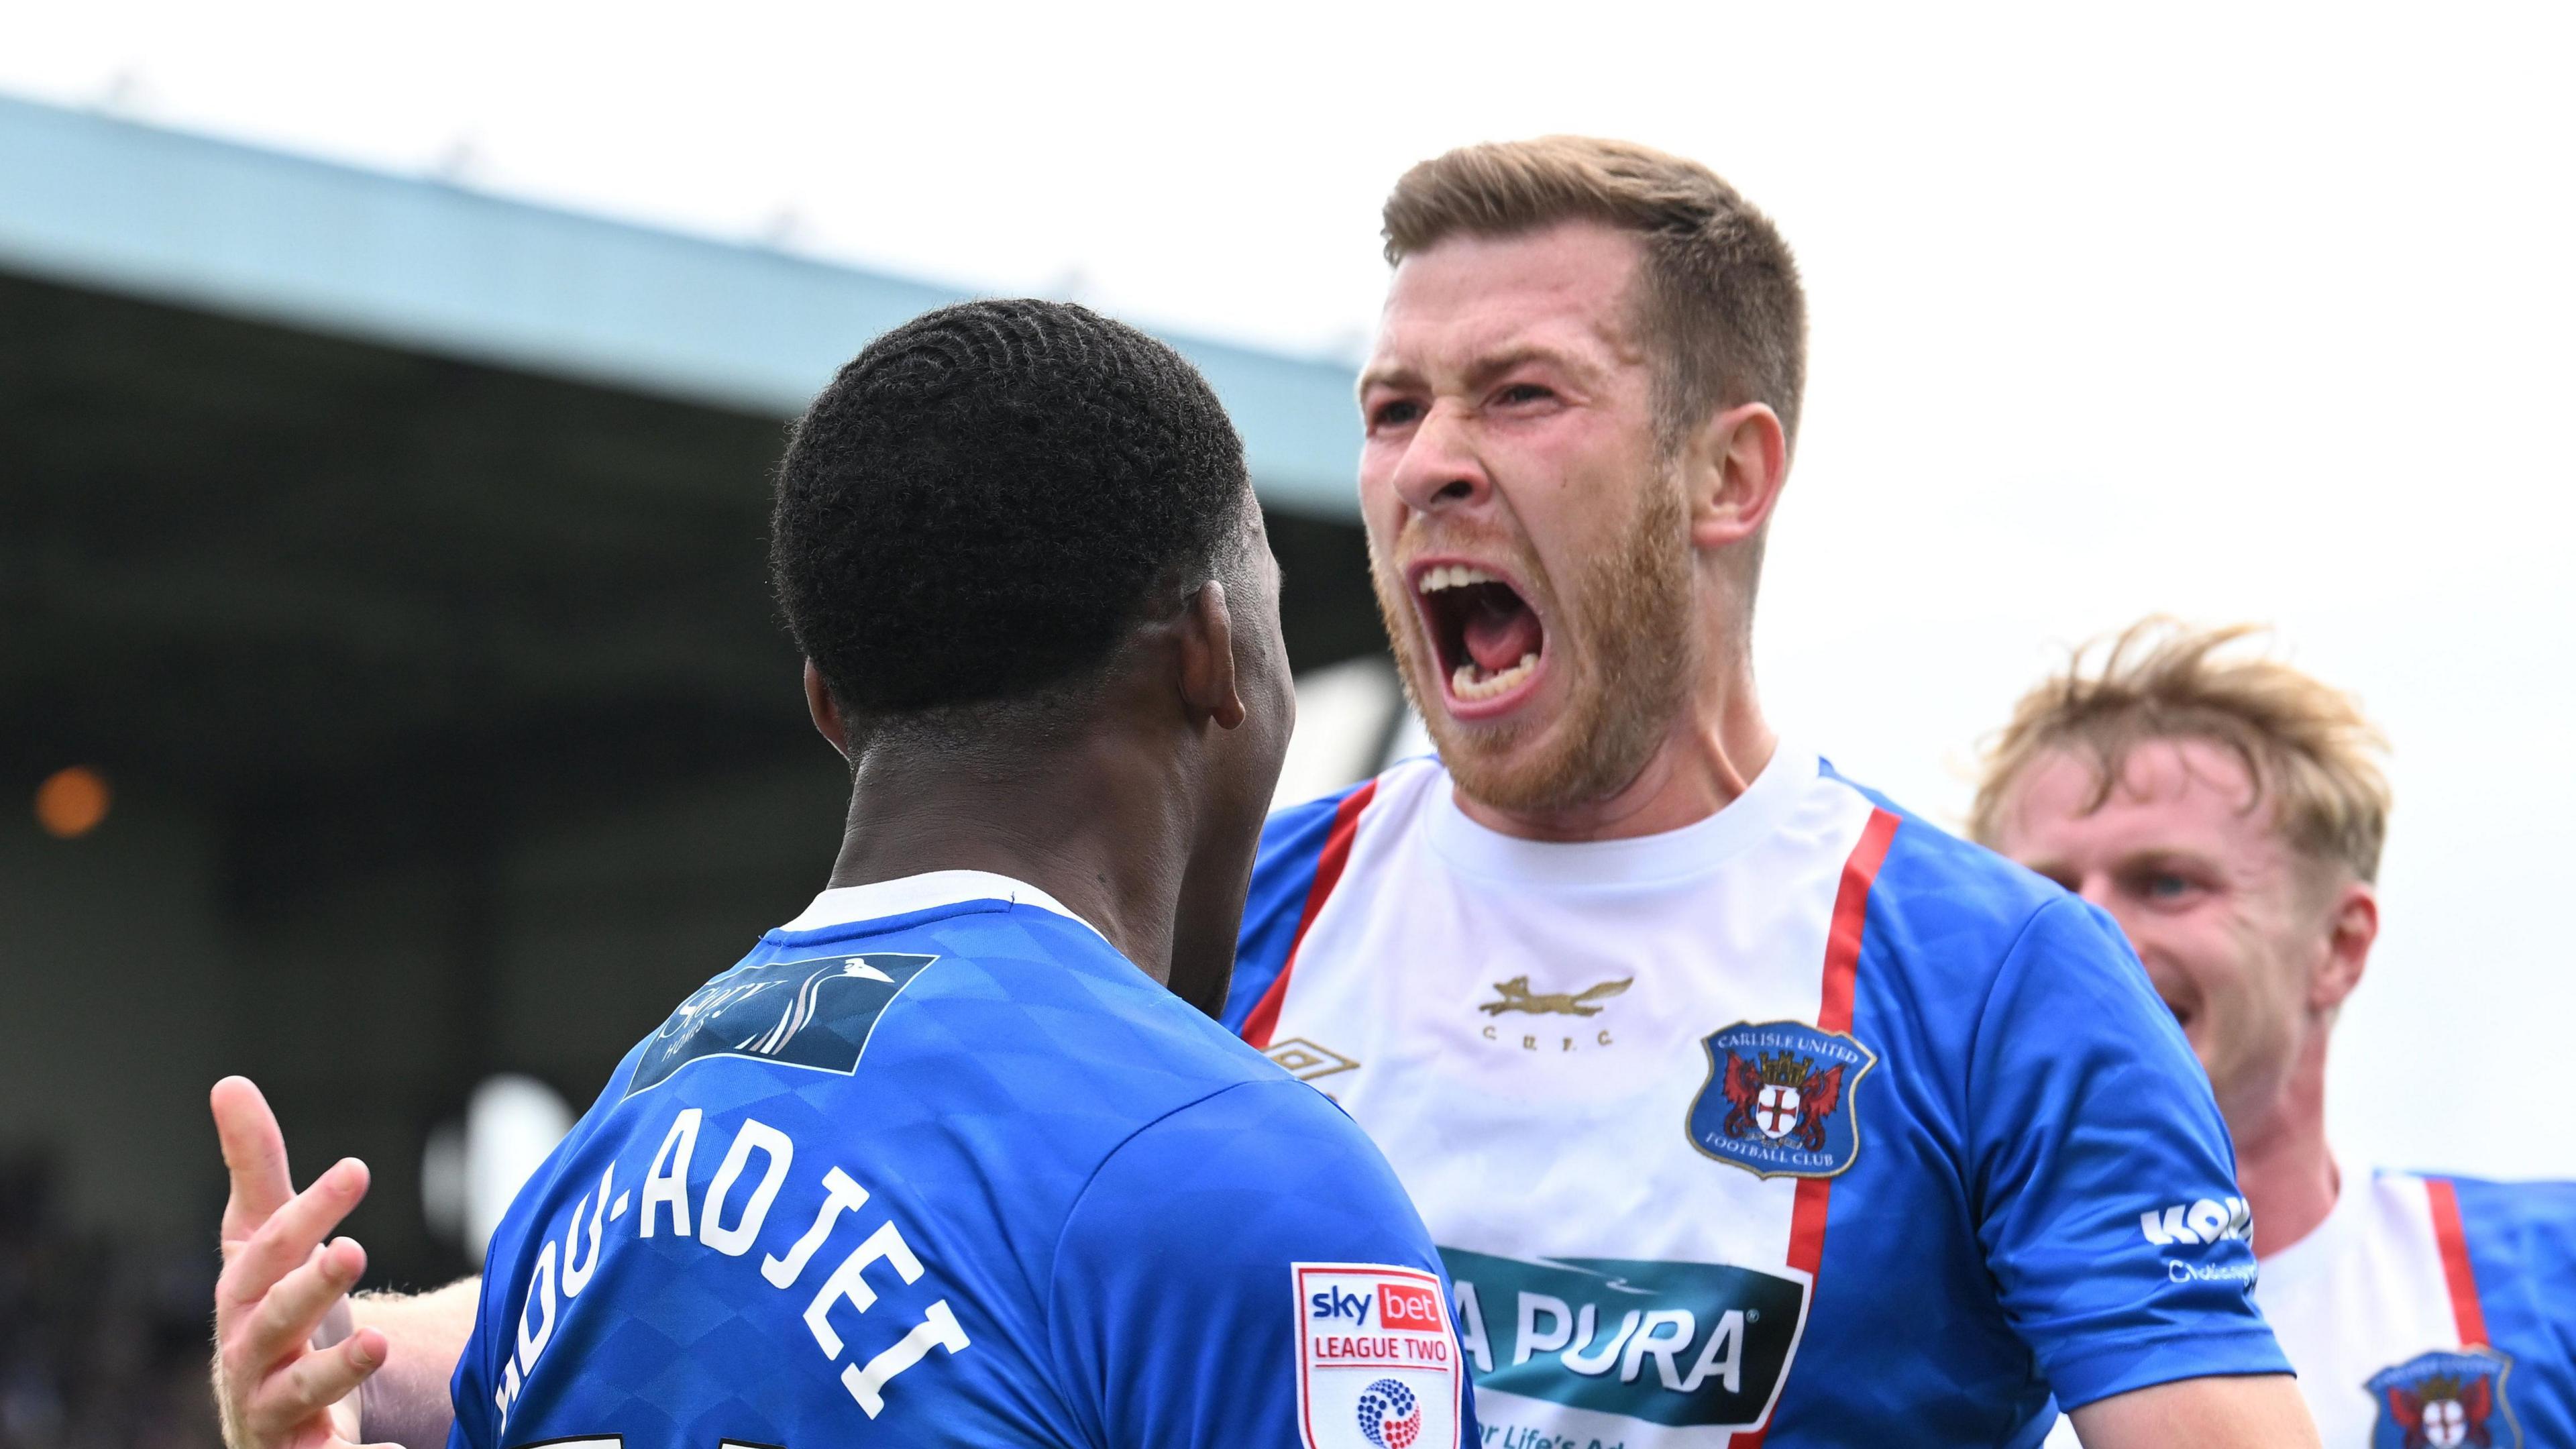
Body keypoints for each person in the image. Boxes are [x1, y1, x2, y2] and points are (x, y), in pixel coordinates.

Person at [207, 299, 1478, 1449]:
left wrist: (354, 1376)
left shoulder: (613, 1147)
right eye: (1268, 598)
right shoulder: (1245, 1183)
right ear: (1215, 654)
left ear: (829, 707)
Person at [1220, 138, 2315, 1447]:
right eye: (1394, 412)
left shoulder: (2003, 979)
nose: (1428, 465)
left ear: (1729, 474)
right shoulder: (1229, 918)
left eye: (1519, 395)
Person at [1972, 619, 2575, 1448]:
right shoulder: (1885, 1333)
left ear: (2338, 946)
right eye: (2048, 894)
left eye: (2169, 883)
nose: (2092, 939)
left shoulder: (2549, 1284)